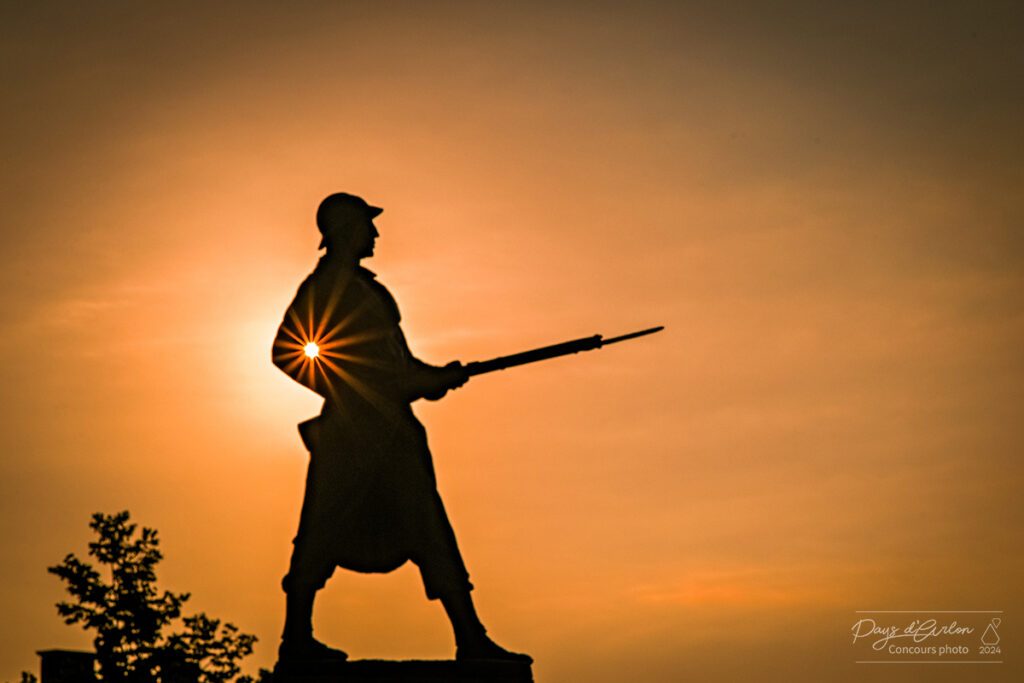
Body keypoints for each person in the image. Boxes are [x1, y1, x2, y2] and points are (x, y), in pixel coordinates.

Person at [271, 193, 531, 666]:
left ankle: (471, 639)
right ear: (348, 230)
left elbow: (398, 367)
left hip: (394, 438)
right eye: (367, 226)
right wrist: (350, 392)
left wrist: (432, 378)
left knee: (430, 529)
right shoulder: (326, 285)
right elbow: (287, 353)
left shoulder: (369, 290)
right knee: (319, 533)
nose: (375, 234)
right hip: (350, 441)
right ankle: (296, 640)